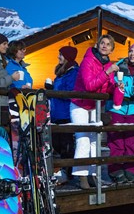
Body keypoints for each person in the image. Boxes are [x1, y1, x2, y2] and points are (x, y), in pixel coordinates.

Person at [70, 34, 119, 190]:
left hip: (96, 106)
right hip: (80, 104)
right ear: (97, 45)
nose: (105, 46)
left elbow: (108, 86)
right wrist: (107, 72)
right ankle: (81, 175)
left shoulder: (109, 65)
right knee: (83, 139)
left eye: (108, 44)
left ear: (111, 49)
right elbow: (90, 86)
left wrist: (117, 87)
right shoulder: (88, 61)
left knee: (94, 141)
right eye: (102, 43)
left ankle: (92, 174)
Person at [107, 42, 134, 183]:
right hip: (117, 108)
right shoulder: (119, 66)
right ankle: (115, 170)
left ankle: (130, 169)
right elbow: (115, 84)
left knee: (131, 142)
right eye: (131, 51)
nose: (132, 54)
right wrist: (133, 91)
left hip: (133, 109)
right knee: (116, 140)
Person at [46, 46, 79, 183]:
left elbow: (70, 92)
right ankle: (66, 171)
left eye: (61, 55)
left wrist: (53, 89)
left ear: (67, 57)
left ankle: (68, 172)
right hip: (56, 113)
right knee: (57, 143)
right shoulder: (61, 72)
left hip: (65, 112)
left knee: (65, 144)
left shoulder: (73, 72)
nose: (58, 57)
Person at [0, 32, 21, 124]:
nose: (7, 46)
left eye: (7, 44)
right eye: (4, 44)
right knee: (2, 131)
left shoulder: (0, 59)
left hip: (2, 103)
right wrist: (12, 78)